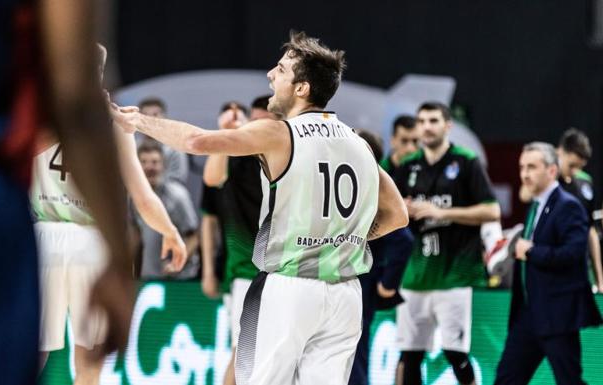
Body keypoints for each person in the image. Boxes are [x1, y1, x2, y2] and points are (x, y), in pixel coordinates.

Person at [112, 30, 408, 385]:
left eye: (281, 70)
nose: (270, 75)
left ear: (302, 89)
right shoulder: (358, 143)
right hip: (345, 295)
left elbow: (197, 141)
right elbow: (398, 215)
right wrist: (352, 238)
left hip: (289, 288)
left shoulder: (279, 133)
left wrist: (138, 121)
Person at [0, 1, 132, 383]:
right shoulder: (115, 123)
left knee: (52, 351)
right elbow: (76, 102)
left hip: (44, 227)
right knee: (81, 360)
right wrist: (119, 253)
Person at [33, 44, 187, 385]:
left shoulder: (39, 111)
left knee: (32, 352)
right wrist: (171, 232)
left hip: (43, 237)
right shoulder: (112, 122)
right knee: (90, 357)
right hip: (92, 242)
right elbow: (143, 198)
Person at [394, 102, 500, 385]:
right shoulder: (408, 166)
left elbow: (492, 211)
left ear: (447, 125)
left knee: (455, 353)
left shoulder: (465, 161)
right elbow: (385, 211)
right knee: (410, 355)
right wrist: (402, 208)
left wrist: (442, 212)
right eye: (422, 121)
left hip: (454, 275)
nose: (427, 127)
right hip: (415, 274)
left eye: (433, 120)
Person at [494, 142, 602, 385]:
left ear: (552, 170)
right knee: (506, 380)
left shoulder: (568, 206)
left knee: (569, 380)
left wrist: (532, 252)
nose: (524, 174)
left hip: (557, 316)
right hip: (528, 314)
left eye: (532, 167)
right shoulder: (535, 204)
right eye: (522, 167)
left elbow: (573, 254)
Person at [201, 97, 275, 385]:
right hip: (246, 271)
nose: (255, 128)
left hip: (286, 271)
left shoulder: (287, 154)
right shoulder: (237, 156)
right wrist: (225, 134)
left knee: (271, 357)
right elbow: (211, 179)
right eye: (252, 121)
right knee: (244, 353)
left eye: (262, 122)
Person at [349, 129, 414, 385]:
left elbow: (403, 238)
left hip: (360, 279)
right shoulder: (350, 182)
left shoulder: (371, 185)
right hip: (347, 278)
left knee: (353, 354)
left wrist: (388, 283)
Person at [131, 141, 198, 280]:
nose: (149, 167)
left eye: (155, 162)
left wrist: (175, 263)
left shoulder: (178, 196)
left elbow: (194, 236)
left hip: (179, 279)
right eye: (144, 162)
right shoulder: (132, 197)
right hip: (148, 275)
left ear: (164, 165)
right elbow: (135, 234)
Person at [557, 128, 603, 292]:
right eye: (572, 165)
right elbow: (525, 195)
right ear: (559, 152)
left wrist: (600, 279)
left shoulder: (585, 182)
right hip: (551, 271)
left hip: (580, 273)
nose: (575, 172)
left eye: (579, 167)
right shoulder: (546, 180)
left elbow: (590, 230)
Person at [137, 97, 190, 186]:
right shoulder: (131, 148)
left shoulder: (175, 149)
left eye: (155, 114)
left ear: (164, 118)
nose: (150, 119)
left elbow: (178, 180)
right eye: (145, 115)